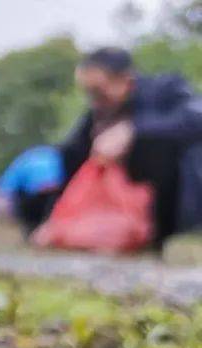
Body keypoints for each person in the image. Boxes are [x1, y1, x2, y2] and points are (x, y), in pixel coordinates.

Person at [60, 47, 202, 244]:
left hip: (177, 204)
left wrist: (134, 130)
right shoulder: (97, 115)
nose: (94, 99)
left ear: (125, 79)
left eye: (98, 91)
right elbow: (70, 155)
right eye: (88, 92)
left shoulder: (165, 89)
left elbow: (196, 119)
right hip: (125, 214)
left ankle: (186, 235)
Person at [0, 145, 64, 236]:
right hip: (57, 199)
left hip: (33, 201)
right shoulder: (56, 156)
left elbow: (3, 191)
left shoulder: (23, 160)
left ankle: (33, 231)